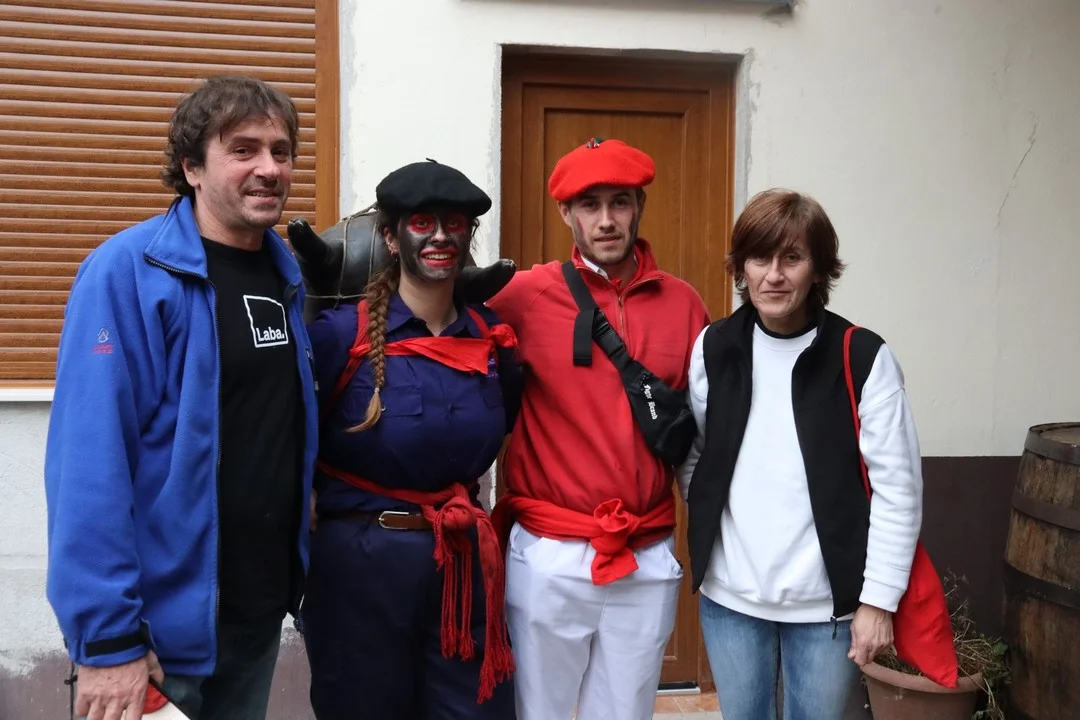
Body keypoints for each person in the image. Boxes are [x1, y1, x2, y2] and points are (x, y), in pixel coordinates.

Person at [44, 75, 318, 720]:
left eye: (281, 151)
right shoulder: (128, 273)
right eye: (243, 149)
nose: (269, 168)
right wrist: (107, 640)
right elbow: (88, 463)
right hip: (157, 638)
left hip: (253, 614)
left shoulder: (284, 275)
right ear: (192, 167)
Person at [678, 189, 924, 719]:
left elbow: (898, 491)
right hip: (731, 600)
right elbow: (696, 455)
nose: (774, 275)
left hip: (828, 610)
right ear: (741, 267)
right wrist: (713, 534)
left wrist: (878, 601)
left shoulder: (862, 358)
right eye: (759, 257)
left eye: (792, 258)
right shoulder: (714, 348)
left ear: (818, 269)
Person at [487, 138, 710, 720]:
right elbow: (441, 327)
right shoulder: (526, 296)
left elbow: (703, 432)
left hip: (645, 552)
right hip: (550, 554)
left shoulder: (685, 305)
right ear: (567, 213)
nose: (606, 220)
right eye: (590, 205)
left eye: (619, 202)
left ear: (639, 206)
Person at [299, 160, 521, 720]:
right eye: (422, 223)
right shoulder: (339, 336)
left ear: (468, 236)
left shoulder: (492, 338)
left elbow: (505, 421)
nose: (440, 236)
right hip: (361, 564)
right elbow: (292, 431)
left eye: (454, 224)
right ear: (391, 238)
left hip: (462, 564)